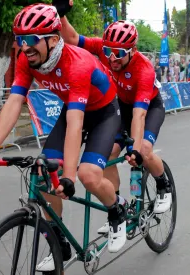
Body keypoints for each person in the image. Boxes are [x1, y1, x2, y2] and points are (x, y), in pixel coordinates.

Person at [0, 3, 127, 272]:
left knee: (87, 175)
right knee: (43, 169)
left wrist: (69, 176)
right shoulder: (28, 61)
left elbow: (76, 124)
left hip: (104, 114)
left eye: (30, 40)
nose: (24, 47)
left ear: (53, 40)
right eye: (19, 39)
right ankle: (57, 240)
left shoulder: (77, 64)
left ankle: (116, 210)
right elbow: (15, 100)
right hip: (73, 109)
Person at [55, 1, 172, 235]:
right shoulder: (105, 48)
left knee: (145, 151)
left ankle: (163, 185)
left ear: (133, 50)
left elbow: (139, 115)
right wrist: (61, 14)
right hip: (121, 108)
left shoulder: (144, 70)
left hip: (148, 109)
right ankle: (118, 207)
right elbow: (73, 39)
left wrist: (137, 149)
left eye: (118, 54)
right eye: (108, 52)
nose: (112, 58)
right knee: (109, 152)